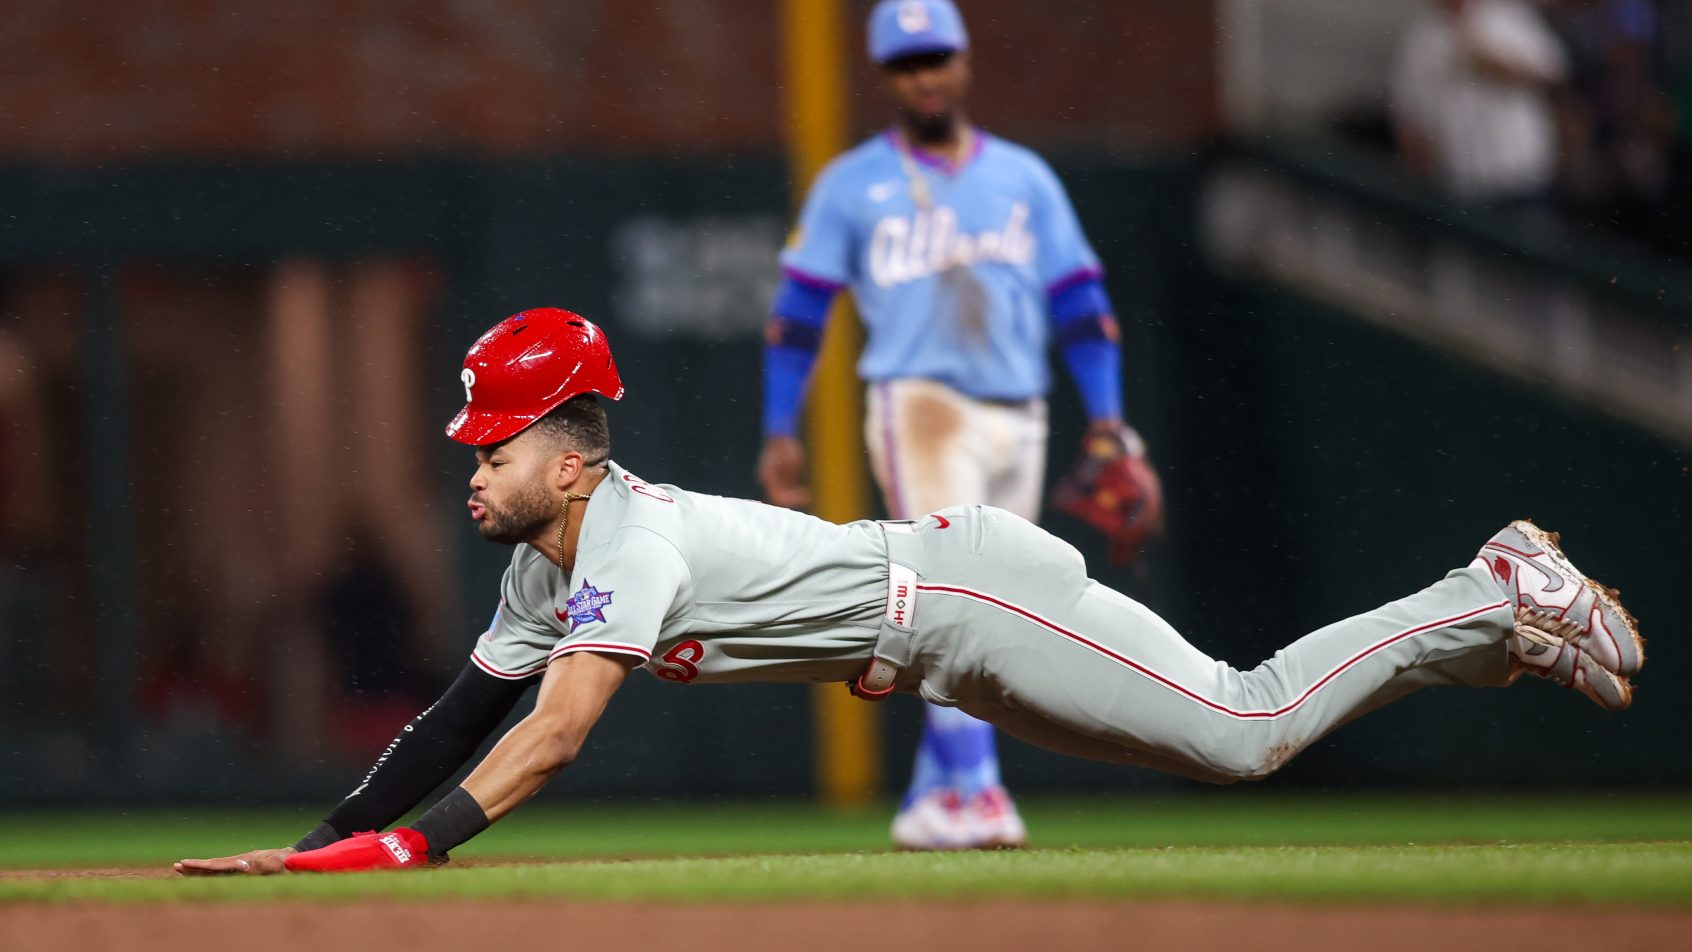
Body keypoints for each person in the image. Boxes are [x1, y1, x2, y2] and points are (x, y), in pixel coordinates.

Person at [177, 308, 1644, 876]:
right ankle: (1479, 637)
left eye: (493, 447)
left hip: (965, 598)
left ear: (570, 456)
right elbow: (458, 720)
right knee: (1238, 732)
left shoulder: (623, 545)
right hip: (943, 646)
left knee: (1245, 729)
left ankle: (1487, 586)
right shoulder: (539, 562)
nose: (472, 470)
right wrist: (320, 838)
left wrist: (396, 860)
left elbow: (550, 742)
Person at [757, 0, 1153, 850]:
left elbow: (1083, 309)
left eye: (935, 57)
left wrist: (1111, 420)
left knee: (1001, 606)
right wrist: (780, 426)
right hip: (920, 404)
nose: (924, 75)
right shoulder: (850, 184)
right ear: (884, 76)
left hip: (1022, 408)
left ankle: (935, 796)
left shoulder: (1023, 178)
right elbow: (796, 317)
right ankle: (976, 790)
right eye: (906, 64)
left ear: (964, 61)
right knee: (952, 593)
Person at [1392, 0, 1570, 206]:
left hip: (1520, 172)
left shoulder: (1507, 17)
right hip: (1461, 181)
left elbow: (1554, 71)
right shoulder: (1421, 38)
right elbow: (1408, 112)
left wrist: (1501, 67)